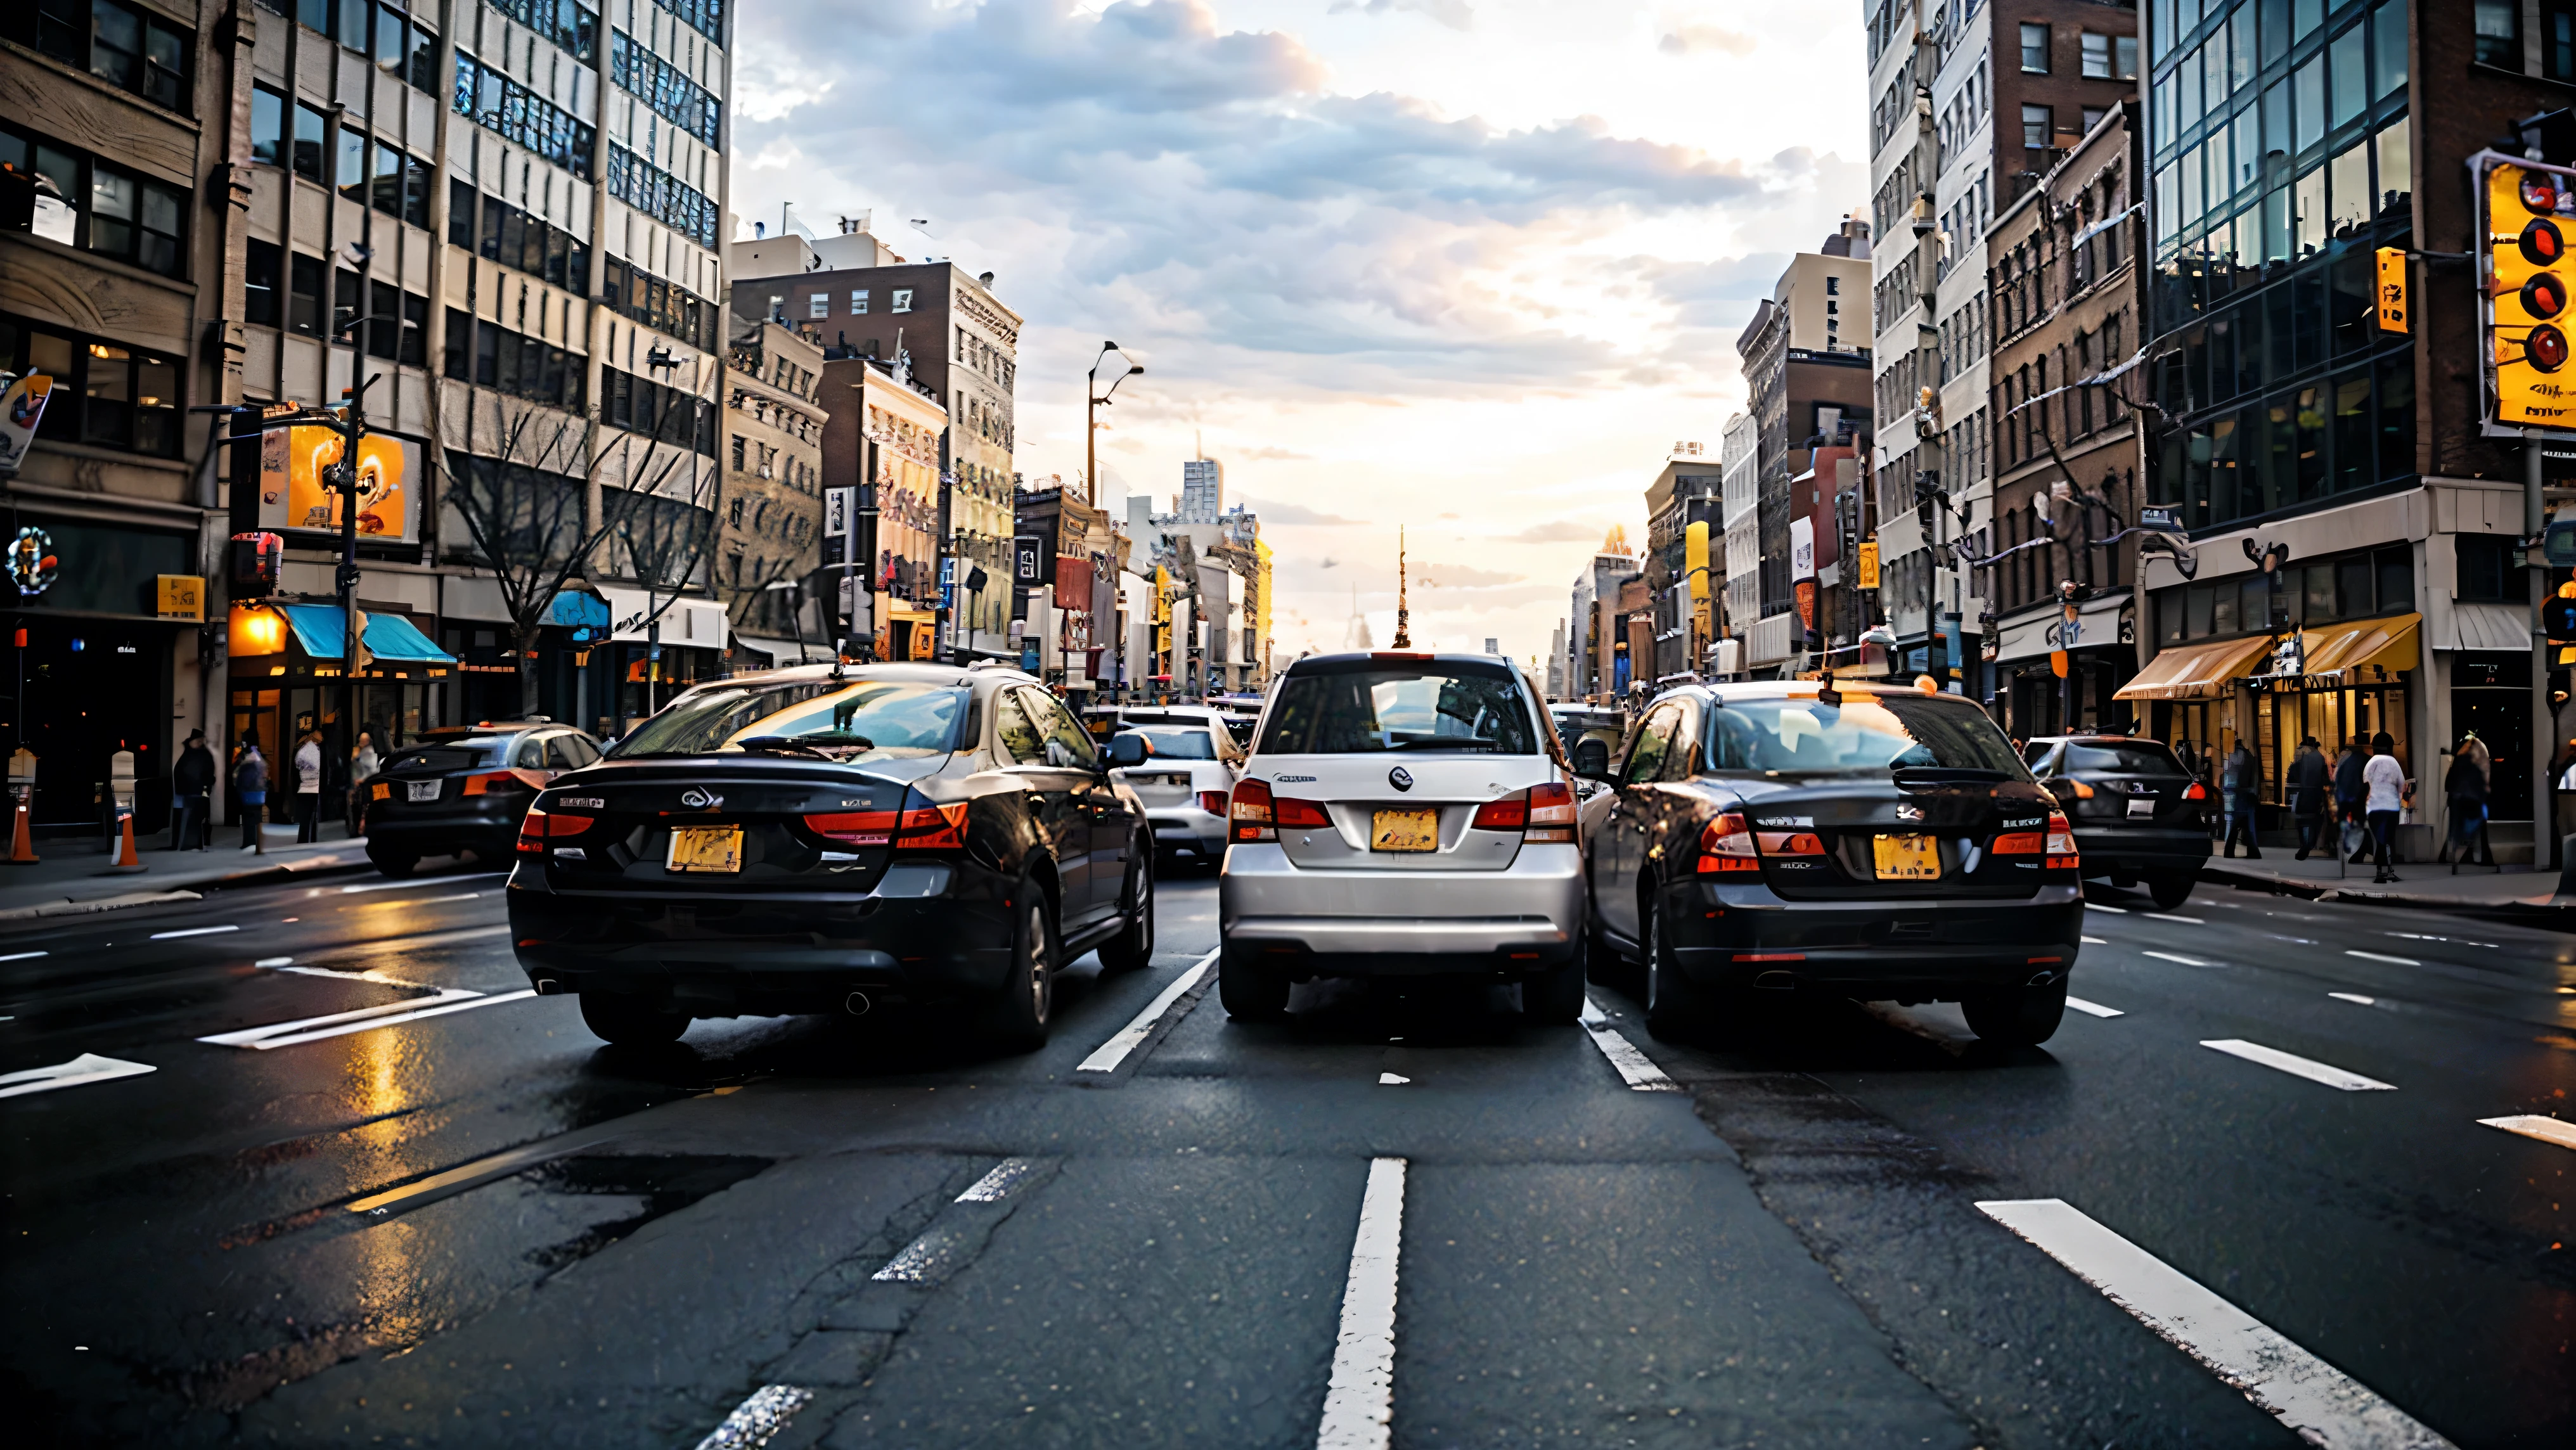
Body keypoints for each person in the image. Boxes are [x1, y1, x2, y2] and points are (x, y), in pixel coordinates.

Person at [2364, 731, 2406, 883]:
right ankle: (2388, 871)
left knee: (2379, 840)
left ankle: (2379, 872)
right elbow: (2402, 786)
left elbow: (2365, 783)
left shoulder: (2371, 763)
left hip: (2374, 807)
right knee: (2388, 840)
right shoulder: (2394, 763)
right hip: (2390, 807)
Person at [2442, 738, 2490, 871]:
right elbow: (2483, 782)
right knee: (2476, 829)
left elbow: (2449, 782)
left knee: (2457, 831)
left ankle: (2453, 858)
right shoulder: (2479, 759)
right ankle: (2477, 858)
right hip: (2474, 799)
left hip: (2458, 798)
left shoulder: (2459, 760)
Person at [169, 729, 216, 851]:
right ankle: (191, 843)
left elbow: (206, 774)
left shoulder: (191, 754)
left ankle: (191, 843)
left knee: (192, 817)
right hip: (193, 791)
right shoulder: (199, 755)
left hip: (193, 791)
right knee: (193, 817)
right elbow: (208, 773)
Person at [2289, 736, 2329, 860]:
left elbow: (2293, 777)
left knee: (2302, 822)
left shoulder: (2301, 757)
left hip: (2302, 794)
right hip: (2316, 793)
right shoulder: (2319, 757)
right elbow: (2325, 776)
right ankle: (2308, 845)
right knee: (2314, 821)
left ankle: (2305, 845)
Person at [2221, 741, 2261, 858]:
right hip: (2247, 795)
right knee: (2246, 826)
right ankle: (2252, 852)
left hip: (2240, 794)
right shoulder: (2249, 757)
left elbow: (2236, 775)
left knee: (2237, 825)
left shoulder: (2237, 756)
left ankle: (2230, 852)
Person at [2334, 735, 2369, 863]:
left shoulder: (2346, 760)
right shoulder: (2367, 760)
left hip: (2344, 798)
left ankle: (2347, 846)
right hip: (2357, 799)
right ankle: (2358, 851)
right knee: (2361, 825)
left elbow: (2338, 779)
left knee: (2346, 823)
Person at [233, 741, 267, 850]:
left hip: (249, 796)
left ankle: (249, 843)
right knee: (257, 821)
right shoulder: (261, 763)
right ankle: (256, 842)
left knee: (248, 821)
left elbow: (244, 782)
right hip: (258, 796)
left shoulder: (248, 765)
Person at [293, 728, 323, 844]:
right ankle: (313, 839)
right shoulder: (316, 751)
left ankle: (302, 839)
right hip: (315, 788)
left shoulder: (301, 751)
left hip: (303, 788)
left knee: (303, 818)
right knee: (314, 816)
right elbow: (318, 768)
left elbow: (297, 764)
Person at [348, 731, 380, 835]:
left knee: (364, 807)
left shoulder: (370, 752)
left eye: (363, 740)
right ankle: (357, 828)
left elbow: (373, 770)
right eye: (360, 740)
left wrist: (362, 780)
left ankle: (362, 829)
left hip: (365, 784)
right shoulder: (358, 751)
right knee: (356, 808)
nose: (361, 742)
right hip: (357, 784)